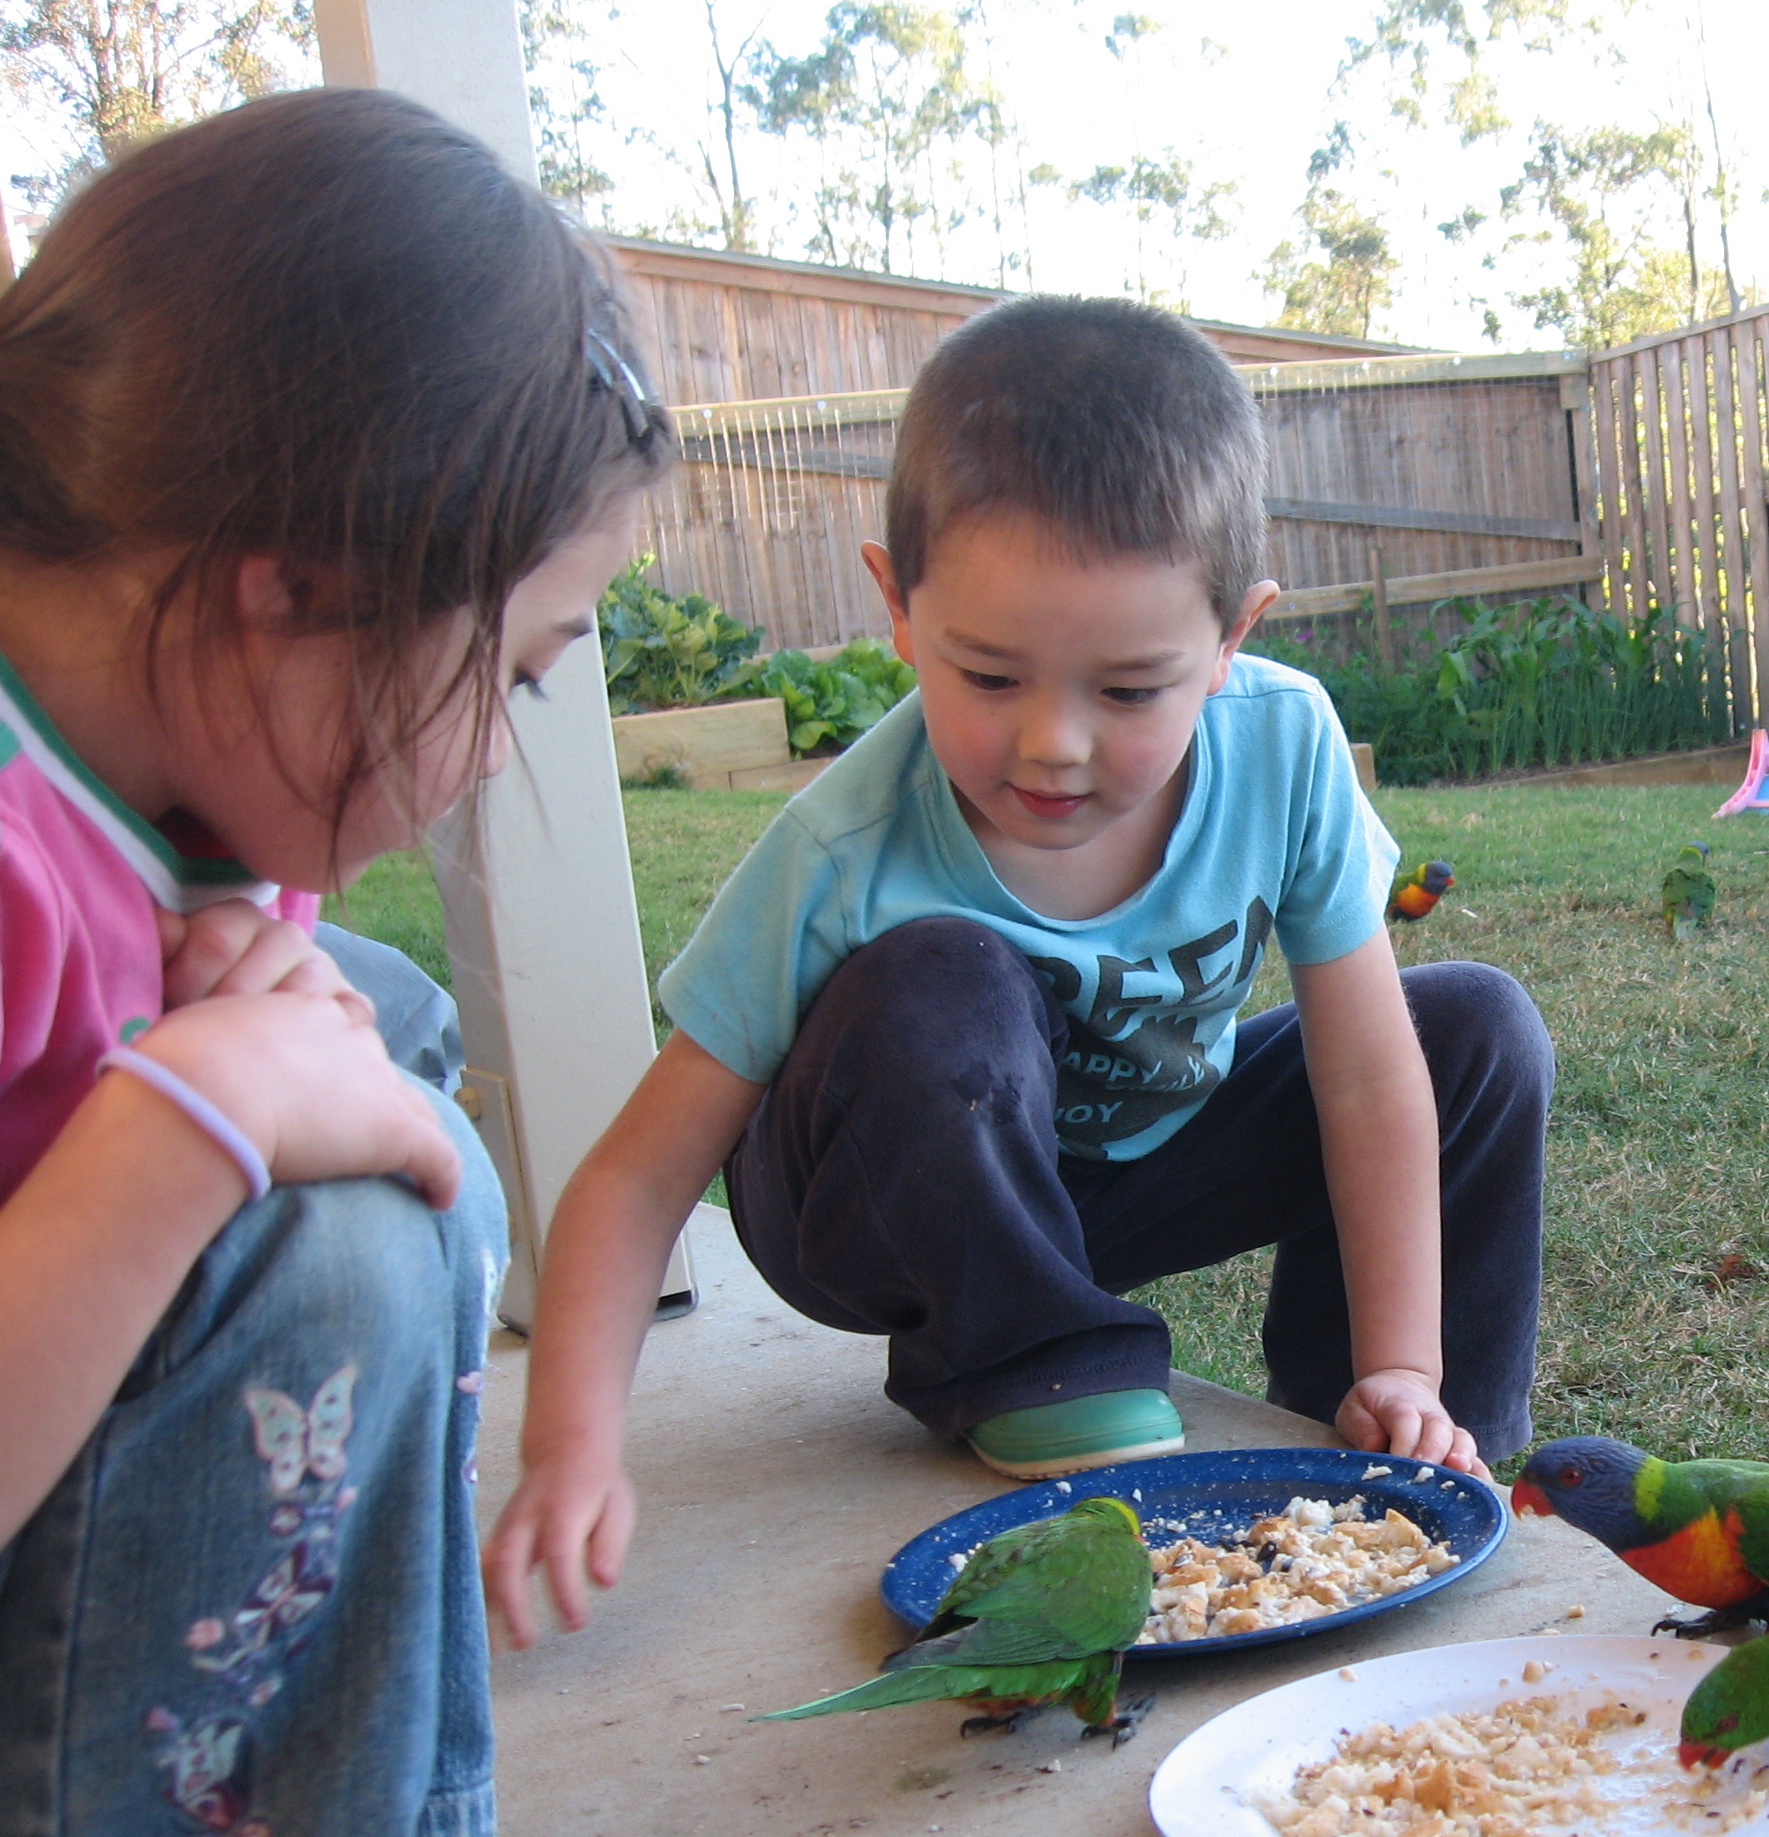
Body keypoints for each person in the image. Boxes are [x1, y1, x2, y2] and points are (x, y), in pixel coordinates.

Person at [0, 90, 671, 1837]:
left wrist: (255, 1000)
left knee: (370, 1041)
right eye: (531, 660)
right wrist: (181, 1116)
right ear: (287, 586)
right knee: (338, 1229)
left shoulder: (135, 749)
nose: (508, 742)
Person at [486, 295, 1551, 1648]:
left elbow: (1364, 1072)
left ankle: (1384, 1435)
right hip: (873, 1197)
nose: (1051, 745)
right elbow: (638, 1175)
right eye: (988, 675)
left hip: (1100, 1182)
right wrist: (571, 1447)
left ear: (1233, 637)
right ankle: (1037, 1365)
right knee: (944, 976)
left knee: (1468, 1028)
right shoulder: (845, 844)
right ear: (896, 607)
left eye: (1127, 691)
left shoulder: (1285, 745)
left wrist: (1405, 1358)